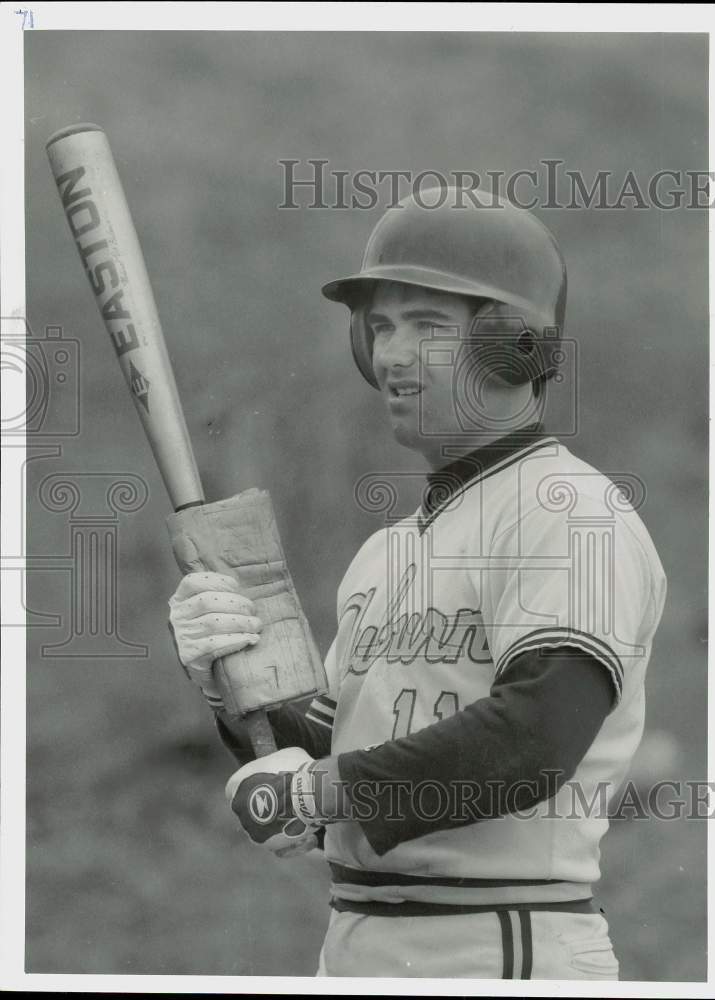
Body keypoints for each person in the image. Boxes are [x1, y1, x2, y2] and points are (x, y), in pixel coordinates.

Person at [168, 188, 667, 980]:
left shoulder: (570, 515)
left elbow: (533, 740)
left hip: (500, 943)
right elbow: (333, 750)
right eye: (381, 328)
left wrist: (317, 795)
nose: (393, 353)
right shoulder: (387, 553)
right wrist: (233, 687)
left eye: (427, 326)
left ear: (514, 345)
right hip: (358, 939)